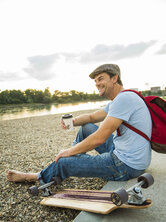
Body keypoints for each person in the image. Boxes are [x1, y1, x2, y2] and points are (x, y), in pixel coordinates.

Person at [6, 64, 152, 185]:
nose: (97, 84)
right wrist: (72, 122)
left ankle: (35, 176)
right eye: (95, 81)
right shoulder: (123, 98)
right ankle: (74, 163)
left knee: (63, 161)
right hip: (130, 155)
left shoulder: (123, 100)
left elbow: (99, 139)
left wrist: (70, 152)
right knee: (86, 128)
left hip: (126, 166)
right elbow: (91, 117)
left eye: (101, 79)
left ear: (115, 78)